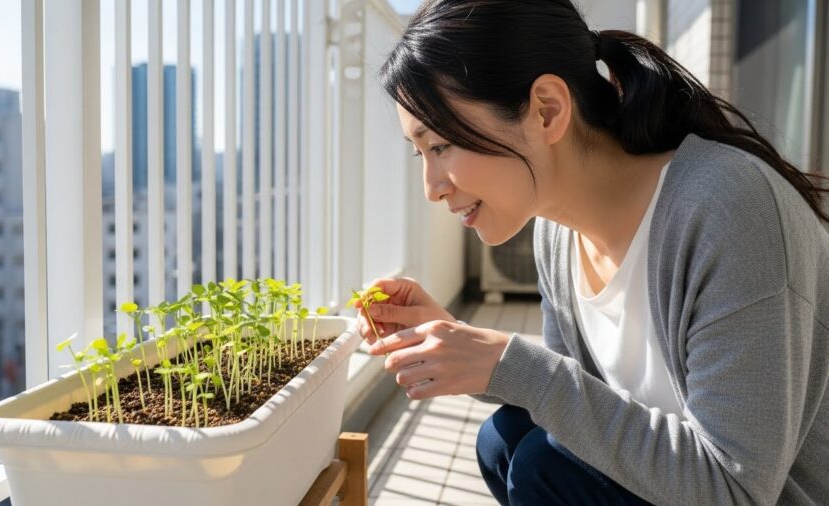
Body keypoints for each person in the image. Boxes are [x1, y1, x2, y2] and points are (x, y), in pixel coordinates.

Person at [352, 0, 829, 504]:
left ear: (547, 110)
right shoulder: (557, 234)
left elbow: (735, 488)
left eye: (442, 145)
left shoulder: (727, 208)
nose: (432, 187)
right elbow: (578, 399)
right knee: (506, 441)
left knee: (543, 467)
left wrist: (514, 365)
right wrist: (458, 345)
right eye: (420, 152)